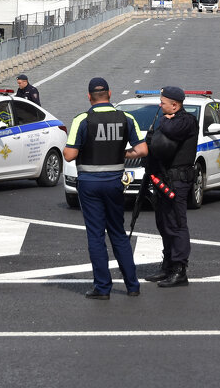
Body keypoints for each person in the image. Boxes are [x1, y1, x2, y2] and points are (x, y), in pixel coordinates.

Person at [64, 77, 142, 299]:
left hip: (89, 182)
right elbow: (143, 149)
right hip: (115, 181)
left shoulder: (82, 119)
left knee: (96, 235)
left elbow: (70, 155)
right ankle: (132, 285)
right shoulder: (126, 117)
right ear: (110, 93)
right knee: (118, 232)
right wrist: (122, 153)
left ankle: (102, 287)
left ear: (89, 96)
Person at [128, 85, 198, 287]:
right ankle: (167, 265)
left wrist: (165, 121)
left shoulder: (187, 121)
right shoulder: (169, 119)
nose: (160, 106)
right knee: (164, 224)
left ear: (175, 105)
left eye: (163, 103)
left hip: (178, 181)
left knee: (176, 224)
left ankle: (179, 270)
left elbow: (170, 130)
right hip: (162, 179)